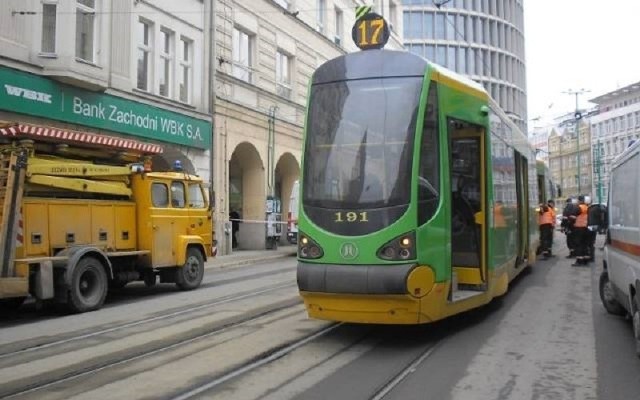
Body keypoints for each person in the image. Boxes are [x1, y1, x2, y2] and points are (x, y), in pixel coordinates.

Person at [569, 195, 589, 266]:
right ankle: (585, 260)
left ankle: (579, 260)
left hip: (579, 228)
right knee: (585, 244)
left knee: (578, 244)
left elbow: (573, 216)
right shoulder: (587, 207)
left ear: (579, 200)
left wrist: (570, 218)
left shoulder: (578, 207)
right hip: (586, 228)